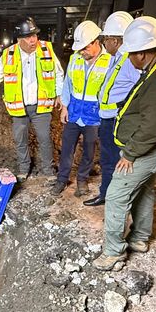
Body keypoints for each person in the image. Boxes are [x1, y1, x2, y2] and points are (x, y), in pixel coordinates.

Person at [93, 17, 156, 270]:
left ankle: (113, 252)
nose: (129, 59)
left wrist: (131, 153)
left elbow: (154, 123)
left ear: (143, 53)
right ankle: (140, 238)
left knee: (115, 196)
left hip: (147, 150)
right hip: (151, 149)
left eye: (131, 54)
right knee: (144, 191)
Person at [0, 17, 64, 181]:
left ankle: (48, 170)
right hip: (19, 107)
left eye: (34, 35)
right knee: (20, 140)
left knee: (45, 139)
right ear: (19, 39)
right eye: (28, 36)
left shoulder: (46, 49)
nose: (33, 40)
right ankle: (24, 168)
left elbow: (58, 74)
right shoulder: (9, 54)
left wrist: (59, 94)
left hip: (42, 106)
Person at [52, 20, 113, 197]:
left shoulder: (109, 61)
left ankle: (82, 180)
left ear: (96, 42)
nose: (82, 52)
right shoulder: (75, 58)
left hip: (94, 115)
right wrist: (64, 107)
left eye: (85, 47)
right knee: (67, 149)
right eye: (79, 48)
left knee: (89, 150)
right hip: (74, 112)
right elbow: (67, 85)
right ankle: (62, 179)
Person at [84, 11, 137, 207]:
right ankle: (107, 194)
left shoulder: (131, 62)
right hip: (108, 119)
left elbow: (138, 93)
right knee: (108, 160)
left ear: (115, 40)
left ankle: (115, 199)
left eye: (106, 39)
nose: (104, 43)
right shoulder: (117, 58)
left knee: (115, 161)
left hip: (117, 121)